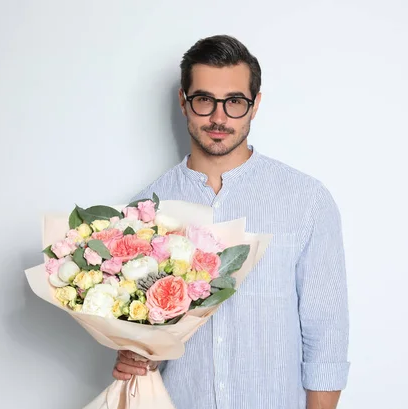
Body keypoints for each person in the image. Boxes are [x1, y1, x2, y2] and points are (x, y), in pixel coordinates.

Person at [112, 34, 350, 409]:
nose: (219, 117)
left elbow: (327, 337)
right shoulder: (146, 210)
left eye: (235, 102)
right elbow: (143, 331)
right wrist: (135, 355)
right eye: (205, 100)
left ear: (255, 105)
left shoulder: (305, 200)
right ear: (183, 102)